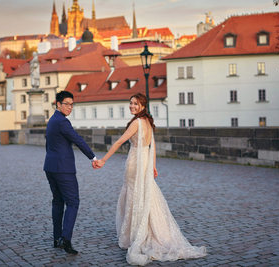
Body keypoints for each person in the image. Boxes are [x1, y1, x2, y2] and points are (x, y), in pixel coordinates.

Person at [96, 93, 206, 265]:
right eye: (130, 103)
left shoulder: (136, 123)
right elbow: (151, 147)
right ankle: (145, 230)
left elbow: (119, 143)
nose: (132, 106)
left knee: (133, 196)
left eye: (135, 103)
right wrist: (153, 166)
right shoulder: (148, 122)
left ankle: (134, 235)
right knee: (144, 195)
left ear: (143, 106)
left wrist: (103, 160)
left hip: (135, 163)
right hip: (145, 163)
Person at [44, 91, 98, 255]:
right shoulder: (62, 122)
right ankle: (66, 239)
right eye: (66, 103)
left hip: (50, 167)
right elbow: (77, 139)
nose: (70, 107)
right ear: (58, 104)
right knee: (73, 202)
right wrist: (93, 157)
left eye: (72, 104)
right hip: (63, 170)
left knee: (58, 202)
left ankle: (57, 238)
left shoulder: (52, 120)